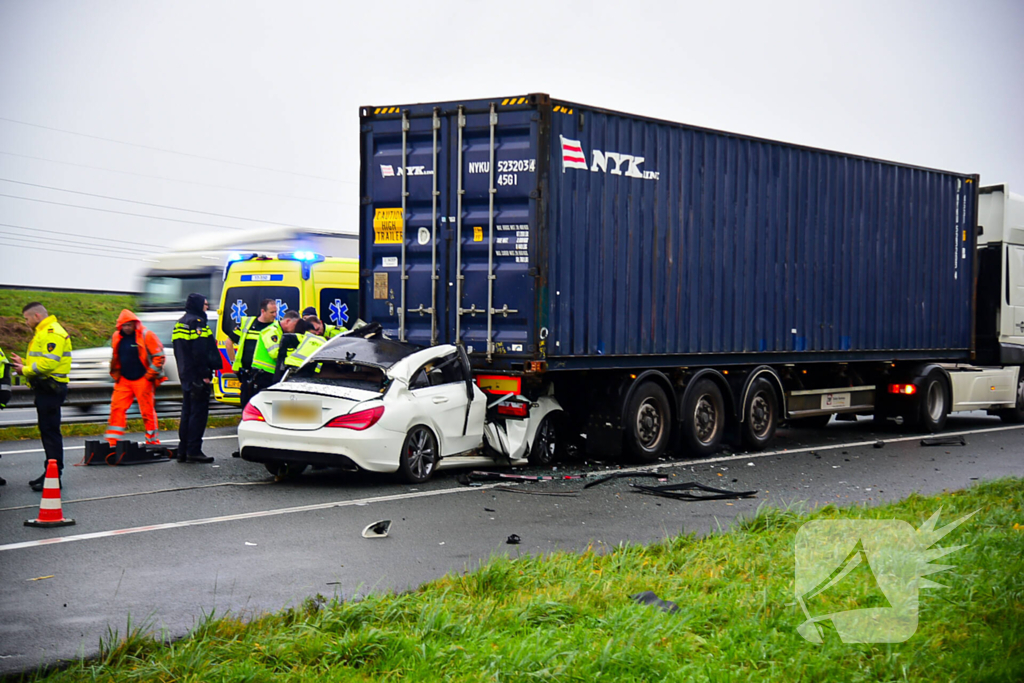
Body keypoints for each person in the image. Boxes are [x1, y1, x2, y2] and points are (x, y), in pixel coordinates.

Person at [9, 303, 72, 491]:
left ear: (36, 316)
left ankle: (54, 475)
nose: (26, 322)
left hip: (51, 388)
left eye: (26, 319)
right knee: (47, 431)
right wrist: (24, 363)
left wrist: (25, 370)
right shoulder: (44, 332)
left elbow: (49, 364)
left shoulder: (52, 332)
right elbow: (42, 360)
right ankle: (50, 472)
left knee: (50, 432)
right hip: (46, 388)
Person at [104, 310, 166, 448]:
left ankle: (152, 441)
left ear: (135, 324)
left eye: (129, 325)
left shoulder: (146, 335)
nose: (126, 328)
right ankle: (113, 442)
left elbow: (159, 357)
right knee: (117, 409)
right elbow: (116, 356)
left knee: (147, 411)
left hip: (142, 379)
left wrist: (149, 375)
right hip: (124, 379)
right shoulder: (117, 336)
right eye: (124, 325)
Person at [171, 293, 220, 463]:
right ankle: (194, 450)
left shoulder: (181, 322)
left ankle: (182, 451)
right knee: (198, 414)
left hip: (185, 374)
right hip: (197, 376)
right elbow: (199, 351)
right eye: (205, 304)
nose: (207, 307)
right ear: (198, 305)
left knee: (187, 413)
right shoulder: (197, 323)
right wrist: (205, 373)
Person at [228, 298, 278, 408]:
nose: (275, 315)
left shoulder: (276, 327)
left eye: (276, 312)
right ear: (263, 311)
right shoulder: (248, 323)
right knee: (247, 405)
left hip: (266, 375)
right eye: (272, 312)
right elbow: (229, 342)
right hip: (247, 373)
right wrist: (233, 362)